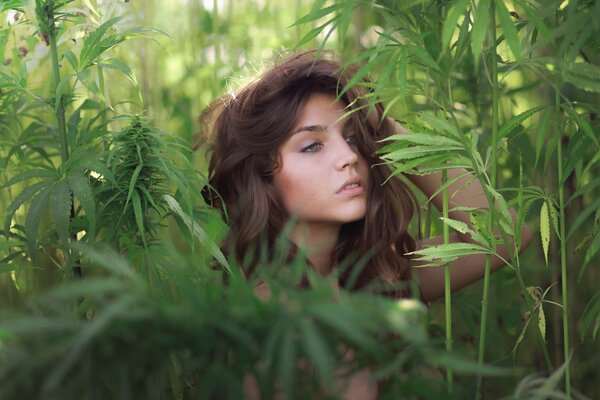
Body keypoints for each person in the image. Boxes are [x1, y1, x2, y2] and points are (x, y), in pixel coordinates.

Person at [198, 50, 532, 399]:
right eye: (313, 146)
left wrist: (381, 124)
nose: (349, 157)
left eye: (353, 138)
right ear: (261, 176)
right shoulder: (271, 318)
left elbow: (503, 236)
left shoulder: (380, 276)